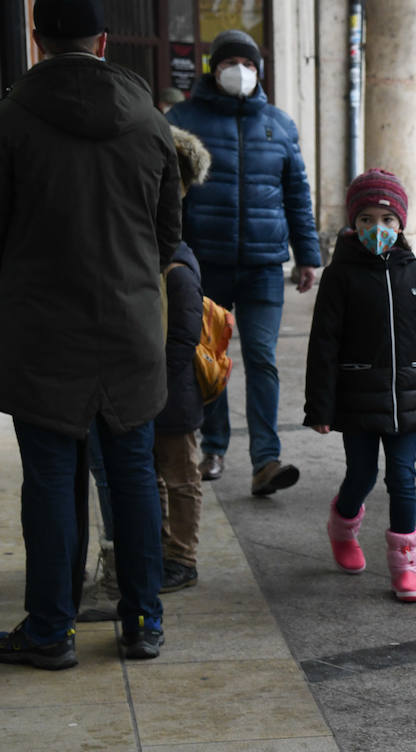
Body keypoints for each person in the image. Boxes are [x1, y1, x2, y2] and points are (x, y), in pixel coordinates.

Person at [0, 0, 181, 668]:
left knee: (50, 479)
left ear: (37, 39)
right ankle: (142, 623)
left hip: (43, 334)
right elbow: (169, 235)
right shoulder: (149, 121)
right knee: (132, 473)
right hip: (130, 329)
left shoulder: (13, 118)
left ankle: (51, 631)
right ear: (103, 41)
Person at [167, 28, 323, 496]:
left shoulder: (279, 124)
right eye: (232, 63)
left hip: (262, 265)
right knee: (207, 358)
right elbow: (167, 195)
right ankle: (214, 446)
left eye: (250, 64)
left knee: (262, 358)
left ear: (260, 70)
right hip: (203, 264)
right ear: (214, 68)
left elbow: (297, 195)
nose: (241, 72)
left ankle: (265, 460)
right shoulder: (182, 119)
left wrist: (308, 256)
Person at [305, 170, 416, 603]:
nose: (378, 228)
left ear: (401, 223)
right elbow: (324, 343)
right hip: (357, 396)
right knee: (363, 473)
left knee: (403, 478)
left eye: (388, 219)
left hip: (407, 397)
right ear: (354, 223)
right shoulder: (340, 276)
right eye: (367, 219)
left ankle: (406, 570)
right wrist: (321, 407)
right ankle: (343, 525)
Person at [157, 125, 214, 594]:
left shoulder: (177, 266)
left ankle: (183, 556)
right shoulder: (165, 258)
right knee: (160, 477)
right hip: (157, 390)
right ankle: (164, 550)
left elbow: (182, 340)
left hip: (173, 394)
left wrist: (157, 384)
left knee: (181, 476)